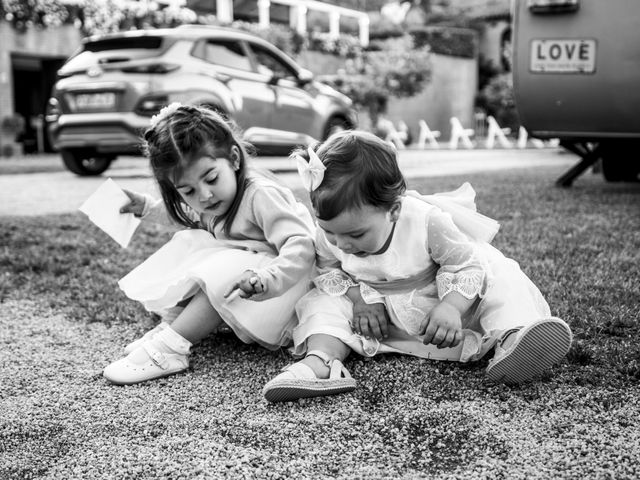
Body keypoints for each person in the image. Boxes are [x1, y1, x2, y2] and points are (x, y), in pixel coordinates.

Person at [262, 130, 573, 402]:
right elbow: (329, 267)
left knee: (501, 279)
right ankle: (322, 361)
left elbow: (468, 266)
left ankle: (511, 337)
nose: (341, 244)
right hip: (378, 315)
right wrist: (358, 299)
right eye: (330, 232)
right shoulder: (329, 234)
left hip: (440, 308)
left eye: (355, 234)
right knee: (323, 301)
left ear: (394, 210)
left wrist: (452, 306)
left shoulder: (426, 222)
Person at [102, 103, 316, 385]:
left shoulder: (260, 195)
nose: (204, 195)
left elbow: (302, 245)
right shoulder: (213, 200)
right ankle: (172, 327)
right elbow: (193, 218)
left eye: (211, 178)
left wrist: (268, 278)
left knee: (223, 266)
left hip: (286, 287)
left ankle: (172, 348)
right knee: (195, 242)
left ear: (235, 159)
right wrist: (145, 207)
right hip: (253, 283)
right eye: (188, 191)